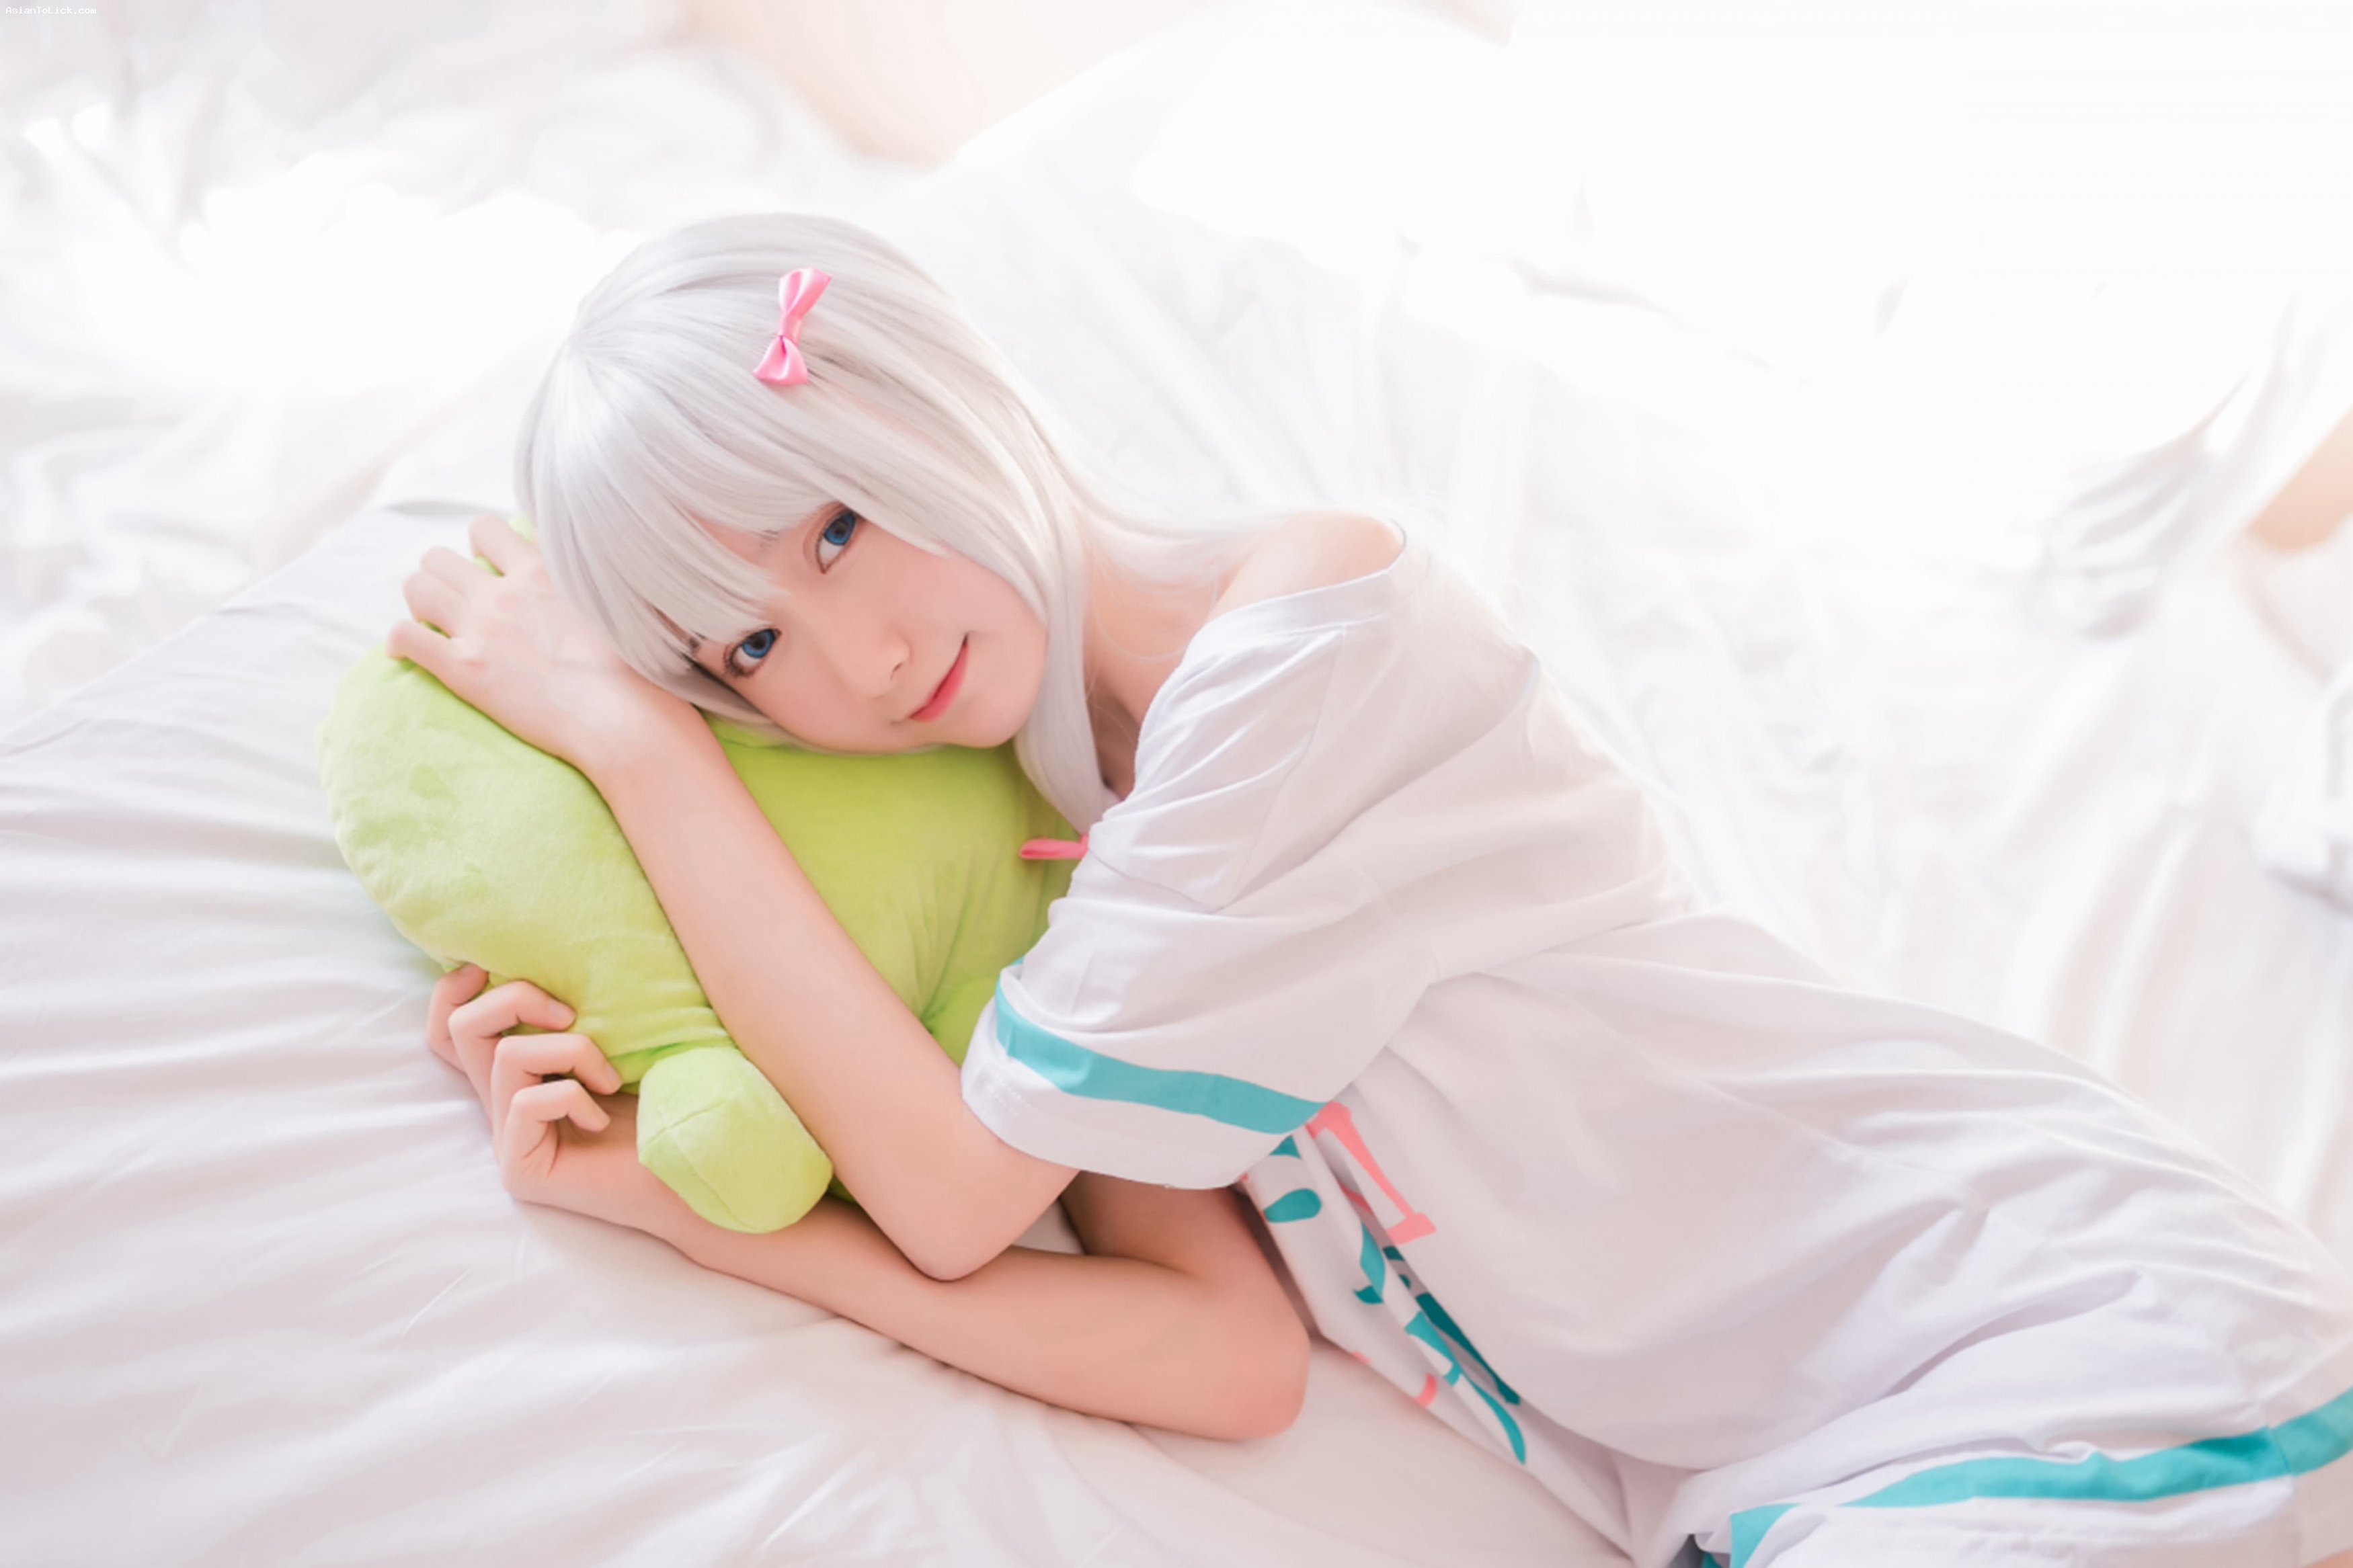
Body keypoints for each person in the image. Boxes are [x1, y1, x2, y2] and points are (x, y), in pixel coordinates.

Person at [395, 212, 2353, 1568]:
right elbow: (1225, 1352)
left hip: (2048, 1322)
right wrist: (667, 1205)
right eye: (746, 653)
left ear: (929, 399)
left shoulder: (1303, 641)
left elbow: (954, 1189)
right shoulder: (1068, 879)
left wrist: (643, 755)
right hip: (1809, 1460)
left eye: (835, 526)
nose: (853, 658)